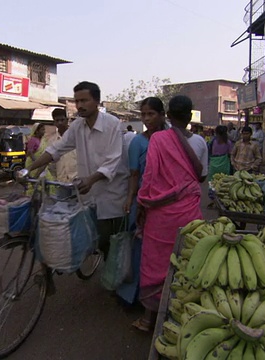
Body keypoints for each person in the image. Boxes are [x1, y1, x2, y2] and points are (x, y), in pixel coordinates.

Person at [26, 81, 128, 260]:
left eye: (84, 100)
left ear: (97, 101)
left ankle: (112, 279)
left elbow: (113, 161)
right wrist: (29, 169)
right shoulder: (77, 126)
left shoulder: (112, 124)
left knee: (108, 242)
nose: (79, 105)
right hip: (86, 191)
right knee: (87, 234)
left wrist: (91, 179)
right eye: (77, 101)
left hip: (111, 192)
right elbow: (56, 149)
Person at [133, 95, 207, 331]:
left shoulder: (158, 140)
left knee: (155, 262)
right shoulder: (200, 142)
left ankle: (148, 320)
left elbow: (150, 178)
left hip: (160, 215)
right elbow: (201, 176)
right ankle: (185, 319)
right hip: (188, 213)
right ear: (189, 115)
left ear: (168, 115)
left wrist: (143, 204)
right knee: (187, 262)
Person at [117, 97, 167, 307]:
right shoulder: (138, 142)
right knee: (139, 249)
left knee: (161, 253)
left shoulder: (170, 139)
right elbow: (134, 174)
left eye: (151, 114)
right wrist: (130, 200)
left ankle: (160, 297)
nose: (146, 119)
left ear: (162, 115)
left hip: (166, 203)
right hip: (144, 202)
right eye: (143, 114)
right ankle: (135, 295)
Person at [50, 108, 77, 183]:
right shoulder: (52, 141)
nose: (60, 123)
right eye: (57, 120)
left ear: (67, 120)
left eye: (62, 120)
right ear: (54, 122)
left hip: (77, 180)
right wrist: (57, 177)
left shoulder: (76, 137)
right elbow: (51, 165)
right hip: (61, 181)